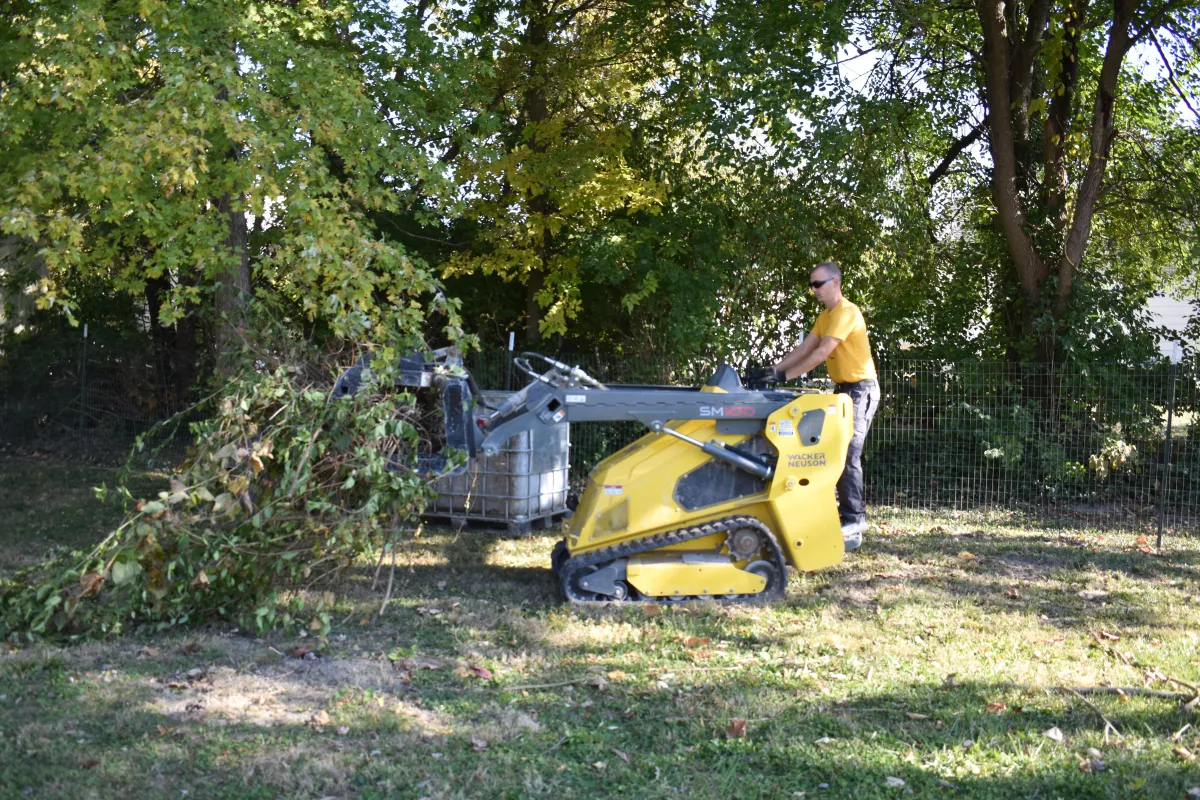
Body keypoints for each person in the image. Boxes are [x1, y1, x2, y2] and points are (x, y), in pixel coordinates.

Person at [752, 261, 880, 551]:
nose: (813, 291)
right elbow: (805, 348)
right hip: (844, 391)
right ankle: (841, 516)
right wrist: (773, 371)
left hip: (861, 390)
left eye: (817, 284)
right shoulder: (826, 315)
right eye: (811, 285)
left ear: (835, 282)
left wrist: (785, 376)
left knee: (848, 453)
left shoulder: (847, 312)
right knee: (830, 452)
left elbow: (822, 352)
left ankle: (854, 519)